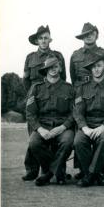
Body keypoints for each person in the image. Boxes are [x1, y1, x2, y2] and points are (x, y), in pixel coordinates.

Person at [70, 22, 104, 182]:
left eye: (91, 33)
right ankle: (84, 169)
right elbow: (73, 77)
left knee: (102, 137)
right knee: (80, 136)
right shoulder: (75, 55)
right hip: (82, 92)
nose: (88, 36)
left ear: (96, 34)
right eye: (84, 35)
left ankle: (99, 171)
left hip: (103, 91)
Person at [22, 25, 66, 181]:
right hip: (36, 97)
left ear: (50, 39)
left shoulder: (57, 56)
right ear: (36, 41)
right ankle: (32, 170)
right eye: (40, 38)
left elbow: (64, 77)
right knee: (35, 135)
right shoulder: (30, 57)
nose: (43, 41)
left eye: (46, 37)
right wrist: (32, 95)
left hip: (54, 96)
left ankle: (52, 170)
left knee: (55, 138)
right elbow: (26, 79)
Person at [25, 56, 75, 186]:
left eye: (55, 66)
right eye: (49, 67)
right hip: (43, 125)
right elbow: (30, 113)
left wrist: (63, 127)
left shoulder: (69, 88)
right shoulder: (36, 88)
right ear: (45, 70)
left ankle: (48, 174)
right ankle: (59, 172)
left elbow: (74, 113)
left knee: (68, 141)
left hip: (62, 126)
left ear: (60, 68)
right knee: (34, 142)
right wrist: (40, 129)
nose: (53, 69)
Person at [73, 53, 104, 187]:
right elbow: (77, 111)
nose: (96, 69)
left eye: (99, 66)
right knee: (78, 141)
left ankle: (90, 175)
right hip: (88, 124)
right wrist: (85, 128)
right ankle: (95, 173)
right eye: (93, 67)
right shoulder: (82, 88)